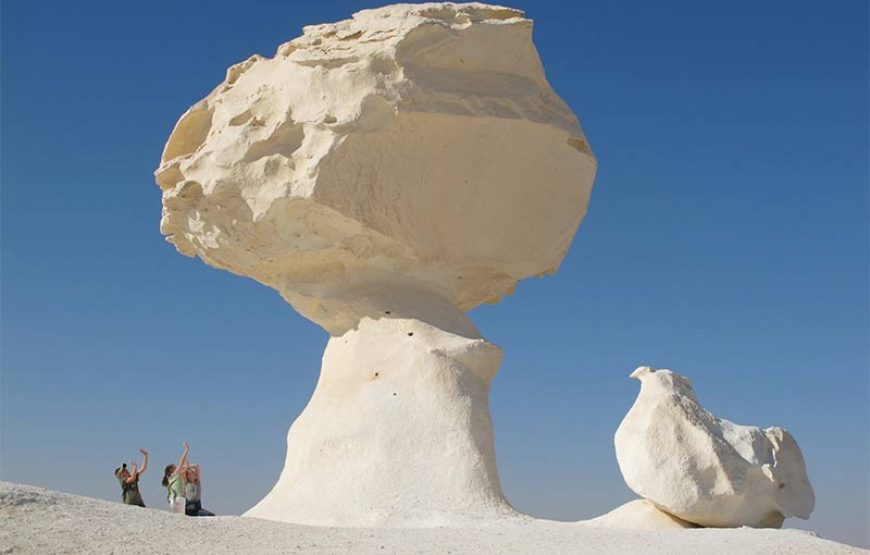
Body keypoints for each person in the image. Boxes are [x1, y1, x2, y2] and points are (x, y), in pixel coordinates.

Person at [161, 441, 189, 514]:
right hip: (179, 498)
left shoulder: (172, 477)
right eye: (174, 466)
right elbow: (182, 460)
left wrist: (187, 464)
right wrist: (186, 449)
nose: (176, 467)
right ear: (171, 470)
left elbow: (185, 467)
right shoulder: (175, 474)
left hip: (174, 499)